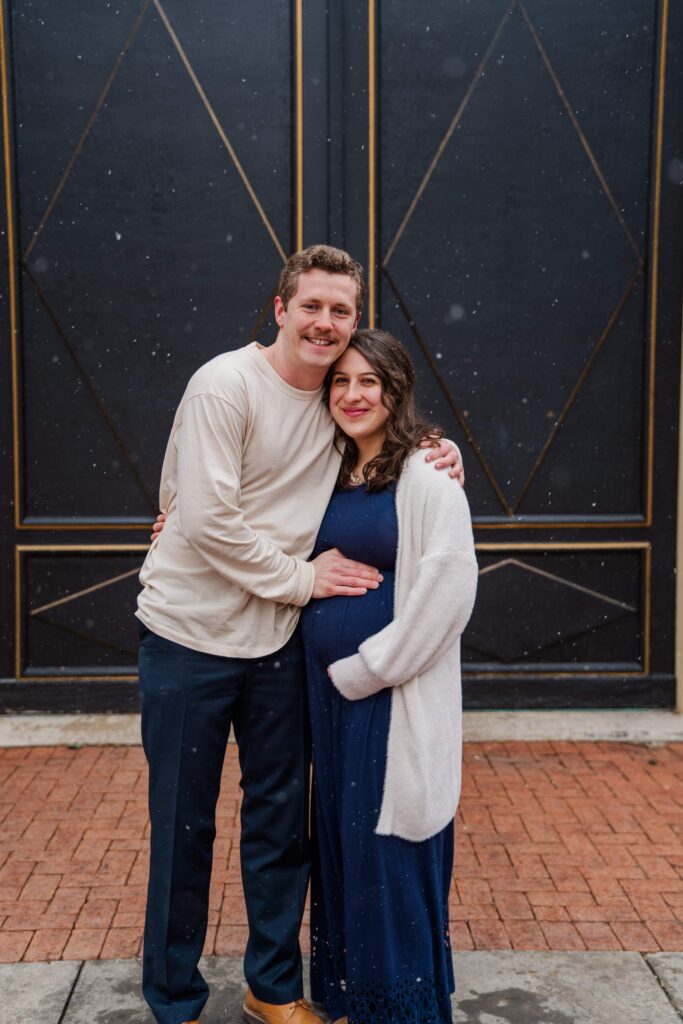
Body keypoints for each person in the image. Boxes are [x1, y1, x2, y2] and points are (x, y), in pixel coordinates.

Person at [136, 245, 463, 1024]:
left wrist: (434, 447)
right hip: (189, 638)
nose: (325, 324)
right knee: (183, 824)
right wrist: (302, 579)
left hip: (277, 648)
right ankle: (174, 997)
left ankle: (272, 990)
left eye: (340, 311)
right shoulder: (225, 384)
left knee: (280, 826)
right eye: (310, 306)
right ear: (279, 309)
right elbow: (206, 513)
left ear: (354, 320)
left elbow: (381, 437)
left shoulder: (334, 401)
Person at [300, 329, 477, 1024]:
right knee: (342, 845)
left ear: (394, 390)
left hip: (386, 698)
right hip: (327, 699)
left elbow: (448, 593)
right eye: (339, 381)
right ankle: (352, 995)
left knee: (388, 849)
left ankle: (402, 1006)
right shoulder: (324, 469)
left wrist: (365, 669)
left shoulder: (428, 477)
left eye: (367, 381)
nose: (351, 394)